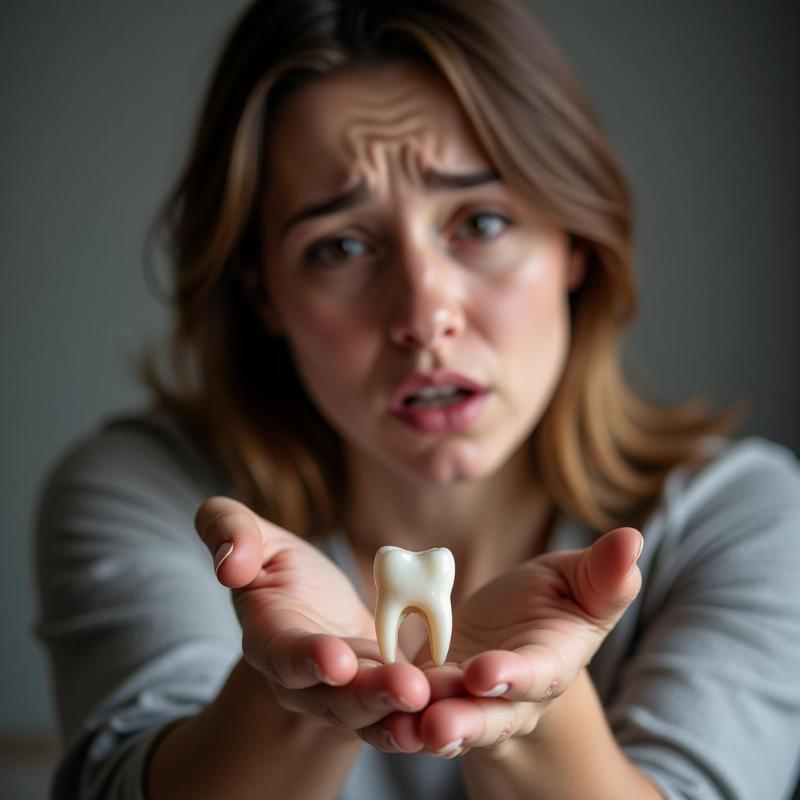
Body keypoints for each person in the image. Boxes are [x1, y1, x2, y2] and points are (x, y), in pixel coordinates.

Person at [34, 1, 800, 798]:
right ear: (265, 293)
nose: (425, 316)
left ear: (574, 243)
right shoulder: (152, 497)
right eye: (341, 246)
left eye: (482, 221)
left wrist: (534, 704)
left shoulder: (736, 517)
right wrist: (291, 692)